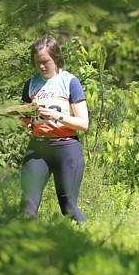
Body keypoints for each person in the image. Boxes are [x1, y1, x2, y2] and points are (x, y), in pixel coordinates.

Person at [19, 35, 89, 223]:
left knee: (68, 207)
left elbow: (83, 124)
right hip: (38, 147)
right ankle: (27, 245)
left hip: (66, 147)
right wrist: (25, 122)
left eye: (45, 62)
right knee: (28, 205)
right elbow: (26, 117)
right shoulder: (31, 83)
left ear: (56, 58)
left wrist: (56, 116)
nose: (41, 67)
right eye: (37, 63)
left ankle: (85, 238)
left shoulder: (70, 82)